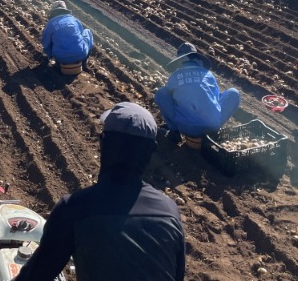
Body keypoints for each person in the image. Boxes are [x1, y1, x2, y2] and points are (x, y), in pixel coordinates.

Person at [14, 102, 185, 281]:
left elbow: (36, 276)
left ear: (103, 143)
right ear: (151, 152)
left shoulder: (74, 208)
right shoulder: (169, 210)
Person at [155, 42, 240, 142]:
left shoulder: (175, 75)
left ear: (180, 60)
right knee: (234, 92)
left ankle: (174, 132)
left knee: (161, 93)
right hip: (211, 126)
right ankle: (213, 132)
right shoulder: (208, 74)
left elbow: (168, 96)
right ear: (196, 58)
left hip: (186, 127)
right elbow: (215, 98)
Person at [41, 1, 94, 71]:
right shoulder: (74, 20)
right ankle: (84, 63)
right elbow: (80, 35)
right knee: (87, 31)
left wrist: (50, 56)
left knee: (50, 40)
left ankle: (57, 63)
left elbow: (45, 43)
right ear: (65, 10)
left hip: (60, 57)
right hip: (81, 54)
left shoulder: (50, 24)